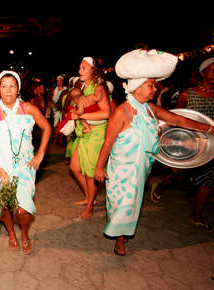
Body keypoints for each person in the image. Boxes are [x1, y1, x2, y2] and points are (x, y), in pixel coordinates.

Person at [94, 49, 214, 256]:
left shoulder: (150, 109)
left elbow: (177, 120)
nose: (154, 89)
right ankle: (120, 239)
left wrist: (208, 129)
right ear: (136, 87)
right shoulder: (121, 113)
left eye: (154, 85)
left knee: (133, 204)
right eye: (150, 85)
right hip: (121, 170)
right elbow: (107, 143)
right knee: (122, 204)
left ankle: (122, 234)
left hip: (142, 168)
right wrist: (98, 167)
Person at [0, 70, 51, 255]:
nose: (8, 90)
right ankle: (11, 234)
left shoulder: (28, 109)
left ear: (18, 90)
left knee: (23, 210)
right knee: (6, 206)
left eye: (12, 86)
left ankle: (24, 233)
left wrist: (40, 155)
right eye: (4, 86)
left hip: (24, 168)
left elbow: (47, 128)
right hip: (1, 168)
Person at [69, 57, 111, 219]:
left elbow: (107, 113)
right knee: (74, 167)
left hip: (96, 135)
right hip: (84, 133)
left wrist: (81, 115)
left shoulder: (99, 88)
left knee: (89, 173)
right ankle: (90, 197)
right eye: (80, 67)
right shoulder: (83, 87)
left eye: (84, 68)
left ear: (93, 71)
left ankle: (89, 206)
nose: (80, 71)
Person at [176, 57, 213, 228]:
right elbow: (175, 117)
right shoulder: (187, 94)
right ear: (203, 73)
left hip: (211, 143)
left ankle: (196, 214)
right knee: (176, 172)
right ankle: (162, 185)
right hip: (189, 142)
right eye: (212, 70)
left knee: (209, 178)